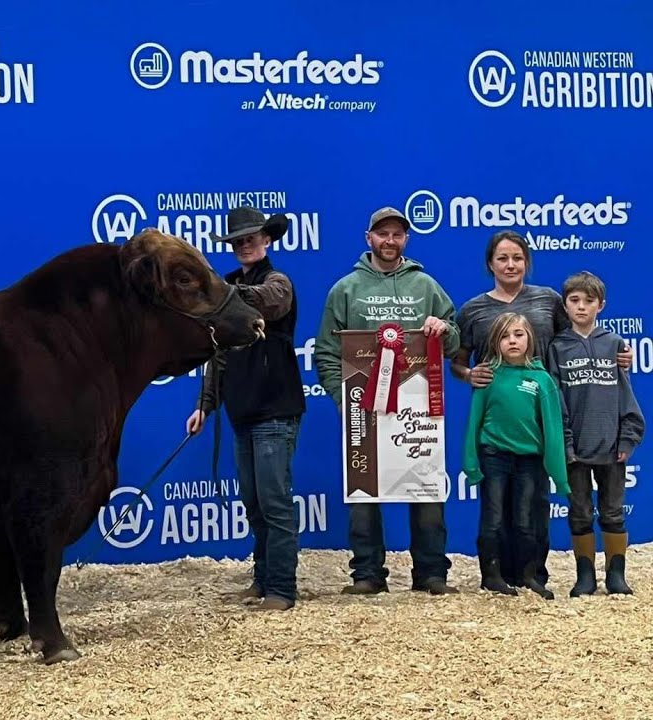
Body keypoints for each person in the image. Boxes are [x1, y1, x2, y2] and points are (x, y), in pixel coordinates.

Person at [452, 231, 633, 589]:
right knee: (496, 507)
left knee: (534, 505)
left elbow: (578, 340)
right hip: (499, 421)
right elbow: (458, 361)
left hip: (542, 420)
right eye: (502, 258)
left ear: (527, 262)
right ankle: (497, 575)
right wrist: (469, 374)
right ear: (490, 263)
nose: (510, 265)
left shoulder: (548, 300)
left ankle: (534, 573)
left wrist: (618, 353)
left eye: (517, 258)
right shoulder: (473, 309)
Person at [314, 206, 461, 595]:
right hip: (365, 406)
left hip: (418, 407)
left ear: (406, 240)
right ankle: (367, 573)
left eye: (397, 234)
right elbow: (327, 351)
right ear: (369, 239)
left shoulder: (426, 286)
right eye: (383, 234)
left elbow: (455, 340)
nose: (390, 241)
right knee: (363, 490)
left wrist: (444, 329)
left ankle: (431, 572)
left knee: (426, 487)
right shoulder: (345, 289)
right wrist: (343, 397)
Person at [187, 206, 305, 611]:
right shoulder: (229, 286)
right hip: (242, 411)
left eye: (251, 239)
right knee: (255, 504)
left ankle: (281, 589)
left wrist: (222, 295)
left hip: (275, 409)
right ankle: (262, 580)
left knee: (274, 502)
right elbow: (218, 357)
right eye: (237, 241)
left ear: (266, 240)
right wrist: (205, 405)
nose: (244, 245)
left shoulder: (277, 281)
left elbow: (270, 302)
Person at [546, 271, 645, 596]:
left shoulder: (614, 344)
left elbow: (625, 394)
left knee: (614, 513)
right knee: (579, 513)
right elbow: (555, 399)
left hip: (612, 446)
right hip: (574, 448)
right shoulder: (557, 347)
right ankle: (584, 576)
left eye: (588, 301)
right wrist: (565, 444)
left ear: (600, 305)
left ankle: (616, 575)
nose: (581, 306)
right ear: (565, 305)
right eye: (574, 300)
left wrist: (627, 437)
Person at [462, 312, 570, 599]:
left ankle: (528, 576)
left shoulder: (542, 380)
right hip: (494, 456)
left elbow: (552, 431)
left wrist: (560, 476)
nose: (512, 341)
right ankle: (491, 576)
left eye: (518, 334)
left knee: (525, 521)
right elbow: (474, 422)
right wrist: (471, 463)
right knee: (493, 518)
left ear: (530, 339)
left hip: (529, 461)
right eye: (504, 336)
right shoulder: (488, 377)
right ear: (495, 342)